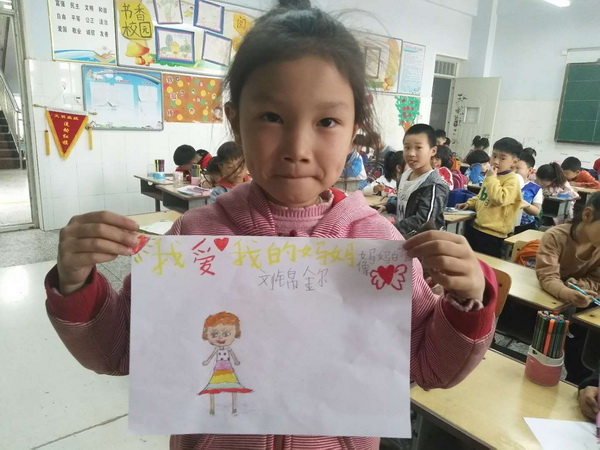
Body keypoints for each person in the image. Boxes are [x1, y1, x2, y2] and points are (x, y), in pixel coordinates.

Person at [45, 2, 498, 449]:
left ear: (354, 130)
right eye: (271, 117)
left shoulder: (377, 243)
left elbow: (432, 367)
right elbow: (118, 351)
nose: (297, 148)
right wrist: (76, 283)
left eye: (327, 121)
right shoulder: (193, 238)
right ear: (235, 122)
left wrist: (468, 300)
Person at [536, 192, 600, 383]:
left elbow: (596, 280)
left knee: (582, 345)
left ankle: (579, 381)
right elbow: (547, 276)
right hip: (548, 303)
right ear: (587, 215)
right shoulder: (555, 236)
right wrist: (566, 292)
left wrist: (581, 286)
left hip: (582, 307)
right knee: (548, 345)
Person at [457, 137, 523, 258]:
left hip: (493, 234)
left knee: (486, 265)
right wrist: (470, 203)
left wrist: (491, 178)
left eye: (502, 158)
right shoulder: (492, 176)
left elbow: (500, 199)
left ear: (514, 162)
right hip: (477, 227)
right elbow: (482, 196)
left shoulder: (512, 180)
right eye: (494, 156)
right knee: (470, 260)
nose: (496, 161)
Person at [395, 124, 449, 237]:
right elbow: (406, 201)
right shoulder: (405, 175)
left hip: (423, 242)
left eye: (418, 148)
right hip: (402, 237)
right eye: (407, 148)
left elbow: (424, 221)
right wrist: (389, 206)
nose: (411, 153)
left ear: (433, 151)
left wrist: (392, 228)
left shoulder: (434, 185)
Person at [514, 153, 542, 233]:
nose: (514, 171)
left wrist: (525, 204)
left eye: (518, 168)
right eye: (512, 168)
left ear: (529, 170)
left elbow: (537, 211)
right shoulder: (506, 183)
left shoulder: (535, 188)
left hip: (525, 227)